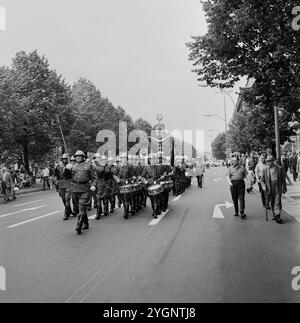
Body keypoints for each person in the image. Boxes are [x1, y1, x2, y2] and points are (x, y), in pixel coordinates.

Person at [69, 150, 96, 234]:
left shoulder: (88, 166)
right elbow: (65, 176)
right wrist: (66, 169)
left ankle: (79, 225)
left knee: (82, 207)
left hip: (85, 189)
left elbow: (94, 178)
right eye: (76, 156)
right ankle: (86, 222)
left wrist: (93, 185)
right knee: (79, 208)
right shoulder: (72, 166)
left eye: (80, 156)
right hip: (75, 189)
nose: (77, 157)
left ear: (83, 157)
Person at [261, 155, 287, 224]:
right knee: (272, 201)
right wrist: (263, 186)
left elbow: (283, 179)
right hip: (270, 187)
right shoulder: (265, 169)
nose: (268, 163)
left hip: (278, 186)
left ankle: (277, 215)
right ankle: (274, 214)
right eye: (267, 161)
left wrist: (284, 187)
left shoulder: (279, 168)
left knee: (278, 201)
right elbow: (262, 180)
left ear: (273, 161)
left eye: (269, 161)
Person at [54, 154, 75, 221]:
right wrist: (55, 182)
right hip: (61, 184)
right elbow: (55, 175)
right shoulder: (58, 167)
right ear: (62, 159)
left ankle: (66, 214)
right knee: (63, 199)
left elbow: (73, 175)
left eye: (66, 159)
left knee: (67, 198)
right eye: (63, 159)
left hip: (68, 183)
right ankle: (70, 211)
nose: (64, 160)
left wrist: (70, 169)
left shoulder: (70, 166)